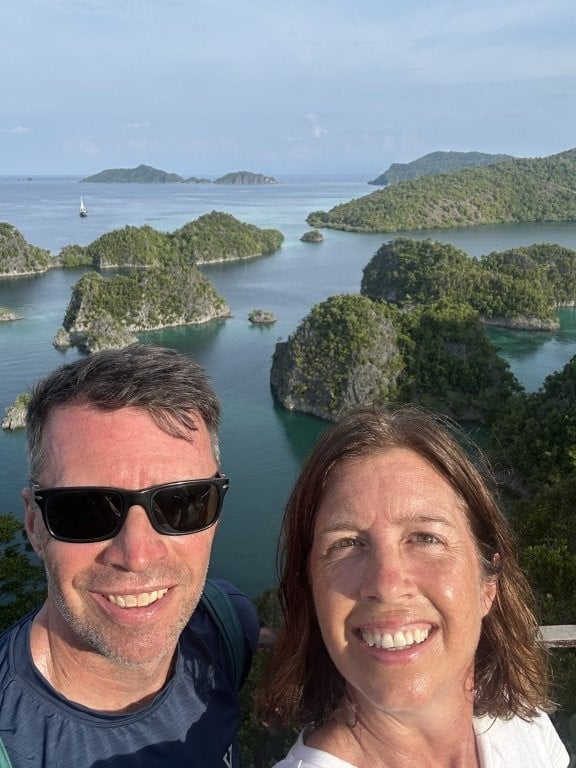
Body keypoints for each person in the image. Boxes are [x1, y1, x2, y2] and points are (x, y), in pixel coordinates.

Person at [259, 405, 570, 768]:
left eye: (425, 537)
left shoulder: (522, 726)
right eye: (345, 543)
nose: (387, 585)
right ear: (311, 591)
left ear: (488, 583)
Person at [0, 343, 260, 767]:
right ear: (34, 523)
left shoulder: (226, 627)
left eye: (181, 503)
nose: (137, 554)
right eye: (85, 510)